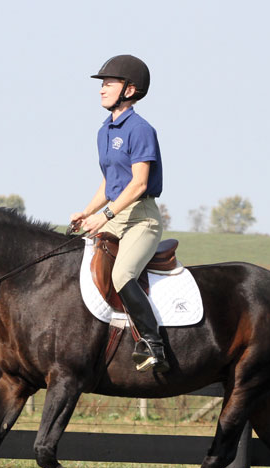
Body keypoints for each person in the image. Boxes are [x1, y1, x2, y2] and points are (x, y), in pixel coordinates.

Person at [70, 54, 169, 374]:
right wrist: (87, 212)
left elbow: (139, 183)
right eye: (102, 83)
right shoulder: (105, 130)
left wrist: (106, 215)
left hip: (141, 218)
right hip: (116, 213)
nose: (102, 89)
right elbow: (110, 181)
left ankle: (153, 343)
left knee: (122, 275)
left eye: (108, 83)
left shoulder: (140, 129)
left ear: (129, 90)